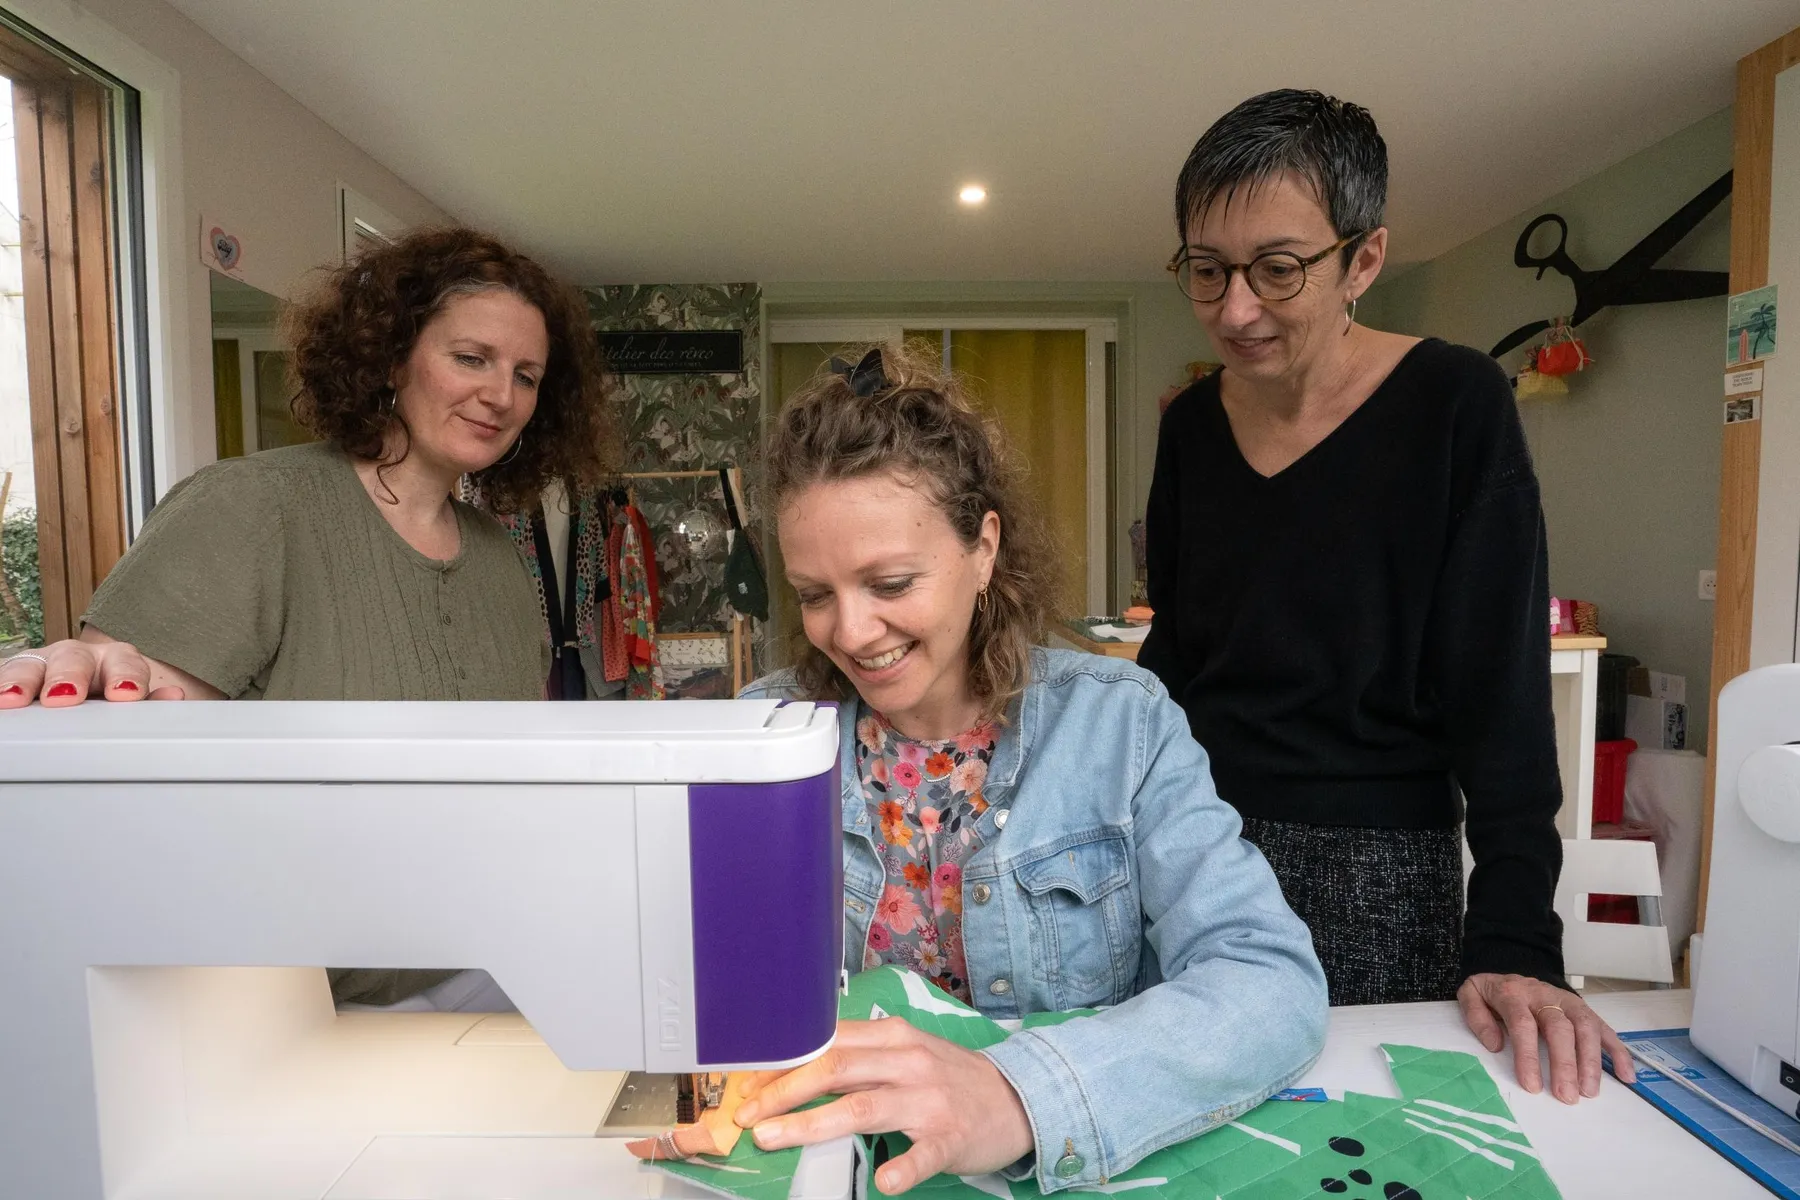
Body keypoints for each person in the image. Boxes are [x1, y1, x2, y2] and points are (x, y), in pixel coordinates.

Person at [633, 344, 1328, 1196]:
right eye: (815, 594)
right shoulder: (762, 735)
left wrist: (1020, 1095)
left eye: (890, 582)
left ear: (983, 548)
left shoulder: (1121, 725)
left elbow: (1268, 981)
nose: (850, 633)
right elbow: (695, 967)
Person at [1138, 88, 1633, 1104]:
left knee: (1367, 1136)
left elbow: (1499, 698)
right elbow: (1175, 663)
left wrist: (1516, 939)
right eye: (1207, 270)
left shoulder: (1456, 403)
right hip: (1197, 848)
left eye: (1276, 270)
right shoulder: (1191, 427)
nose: (1236, 309)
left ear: (1362, 260)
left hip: (1382, 873)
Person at [0, 226, 617, 1004]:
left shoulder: (501, 560)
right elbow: (117, 775)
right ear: (393, 357)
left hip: (490, 980)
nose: (502, 395)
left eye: (527, 376)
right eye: (471, 358)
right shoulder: (253, 508)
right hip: (283, 1016)